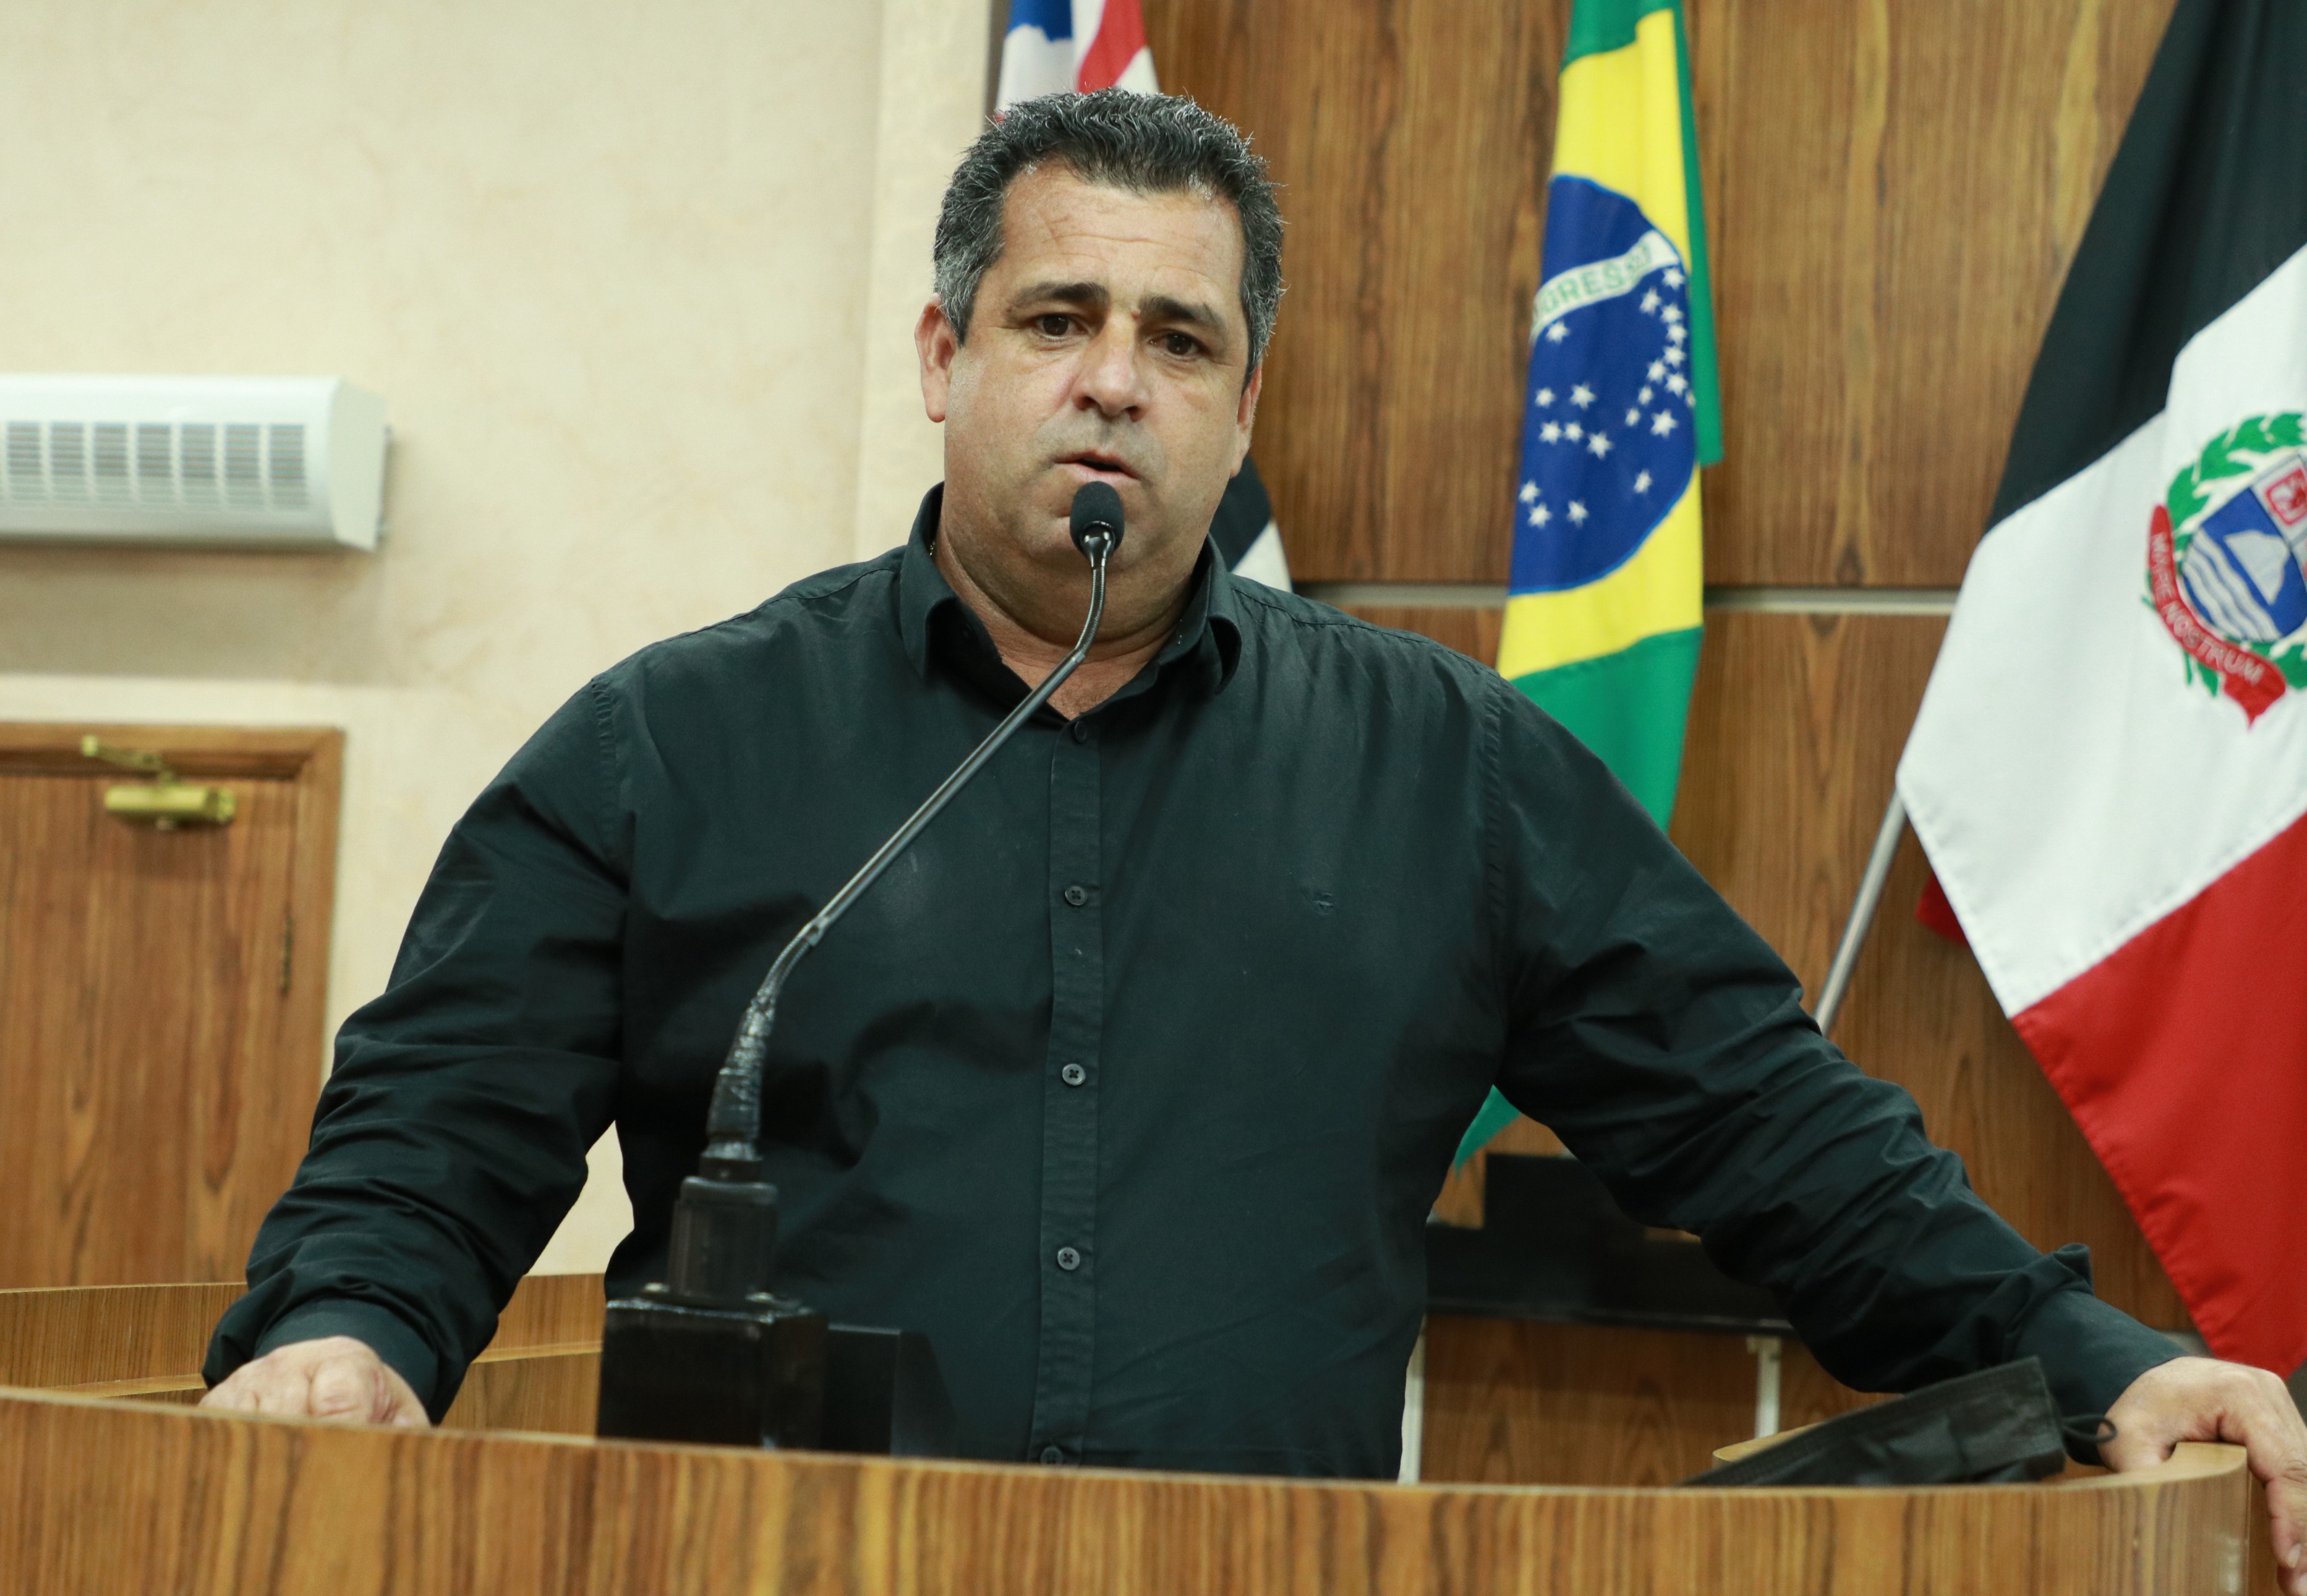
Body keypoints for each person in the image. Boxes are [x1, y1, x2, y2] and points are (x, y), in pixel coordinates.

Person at [202, 90, 2307, 1582]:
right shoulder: (674, 744)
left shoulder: (1448, 770)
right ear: (945, 359)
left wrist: (2093, 1364)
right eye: (1056, 321)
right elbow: (434, 1130)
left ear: (1241, 404)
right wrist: (345, 1335)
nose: (1113, 381)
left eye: (1178, 339)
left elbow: (1778, 1136)